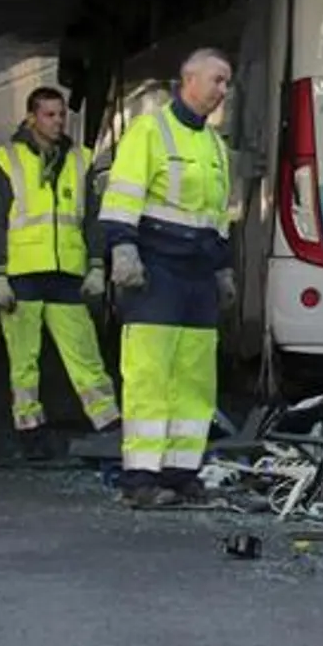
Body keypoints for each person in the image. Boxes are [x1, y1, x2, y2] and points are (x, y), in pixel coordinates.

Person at [99, 49, 235, 508]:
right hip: (155, 268)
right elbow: (122, 195)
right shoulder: (150, 131)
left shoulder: (215, 145)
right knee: (149, 375)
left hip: (198, 273)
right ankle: (140, 479)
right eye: (217, 80)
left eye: (226, 82)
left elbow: (218, 216)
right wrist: (122, 247)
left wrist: (223, 269)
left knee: (196, 379)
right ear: (188, 79)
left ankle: (180, 473)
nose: (223, 91)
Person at [0, 86, 120, 461]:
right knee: (24, 361)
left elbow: (94, 219)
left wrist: (96, 265)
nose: (58, 121)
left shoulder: (81, 159)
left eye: (61, 115)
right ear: (31, 117)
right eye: (49, 115)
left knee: (86, 355)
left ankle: (109, 426)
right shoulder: (5, 160)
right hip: (22, 274)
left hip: (67, 274)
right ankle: (31, 433)